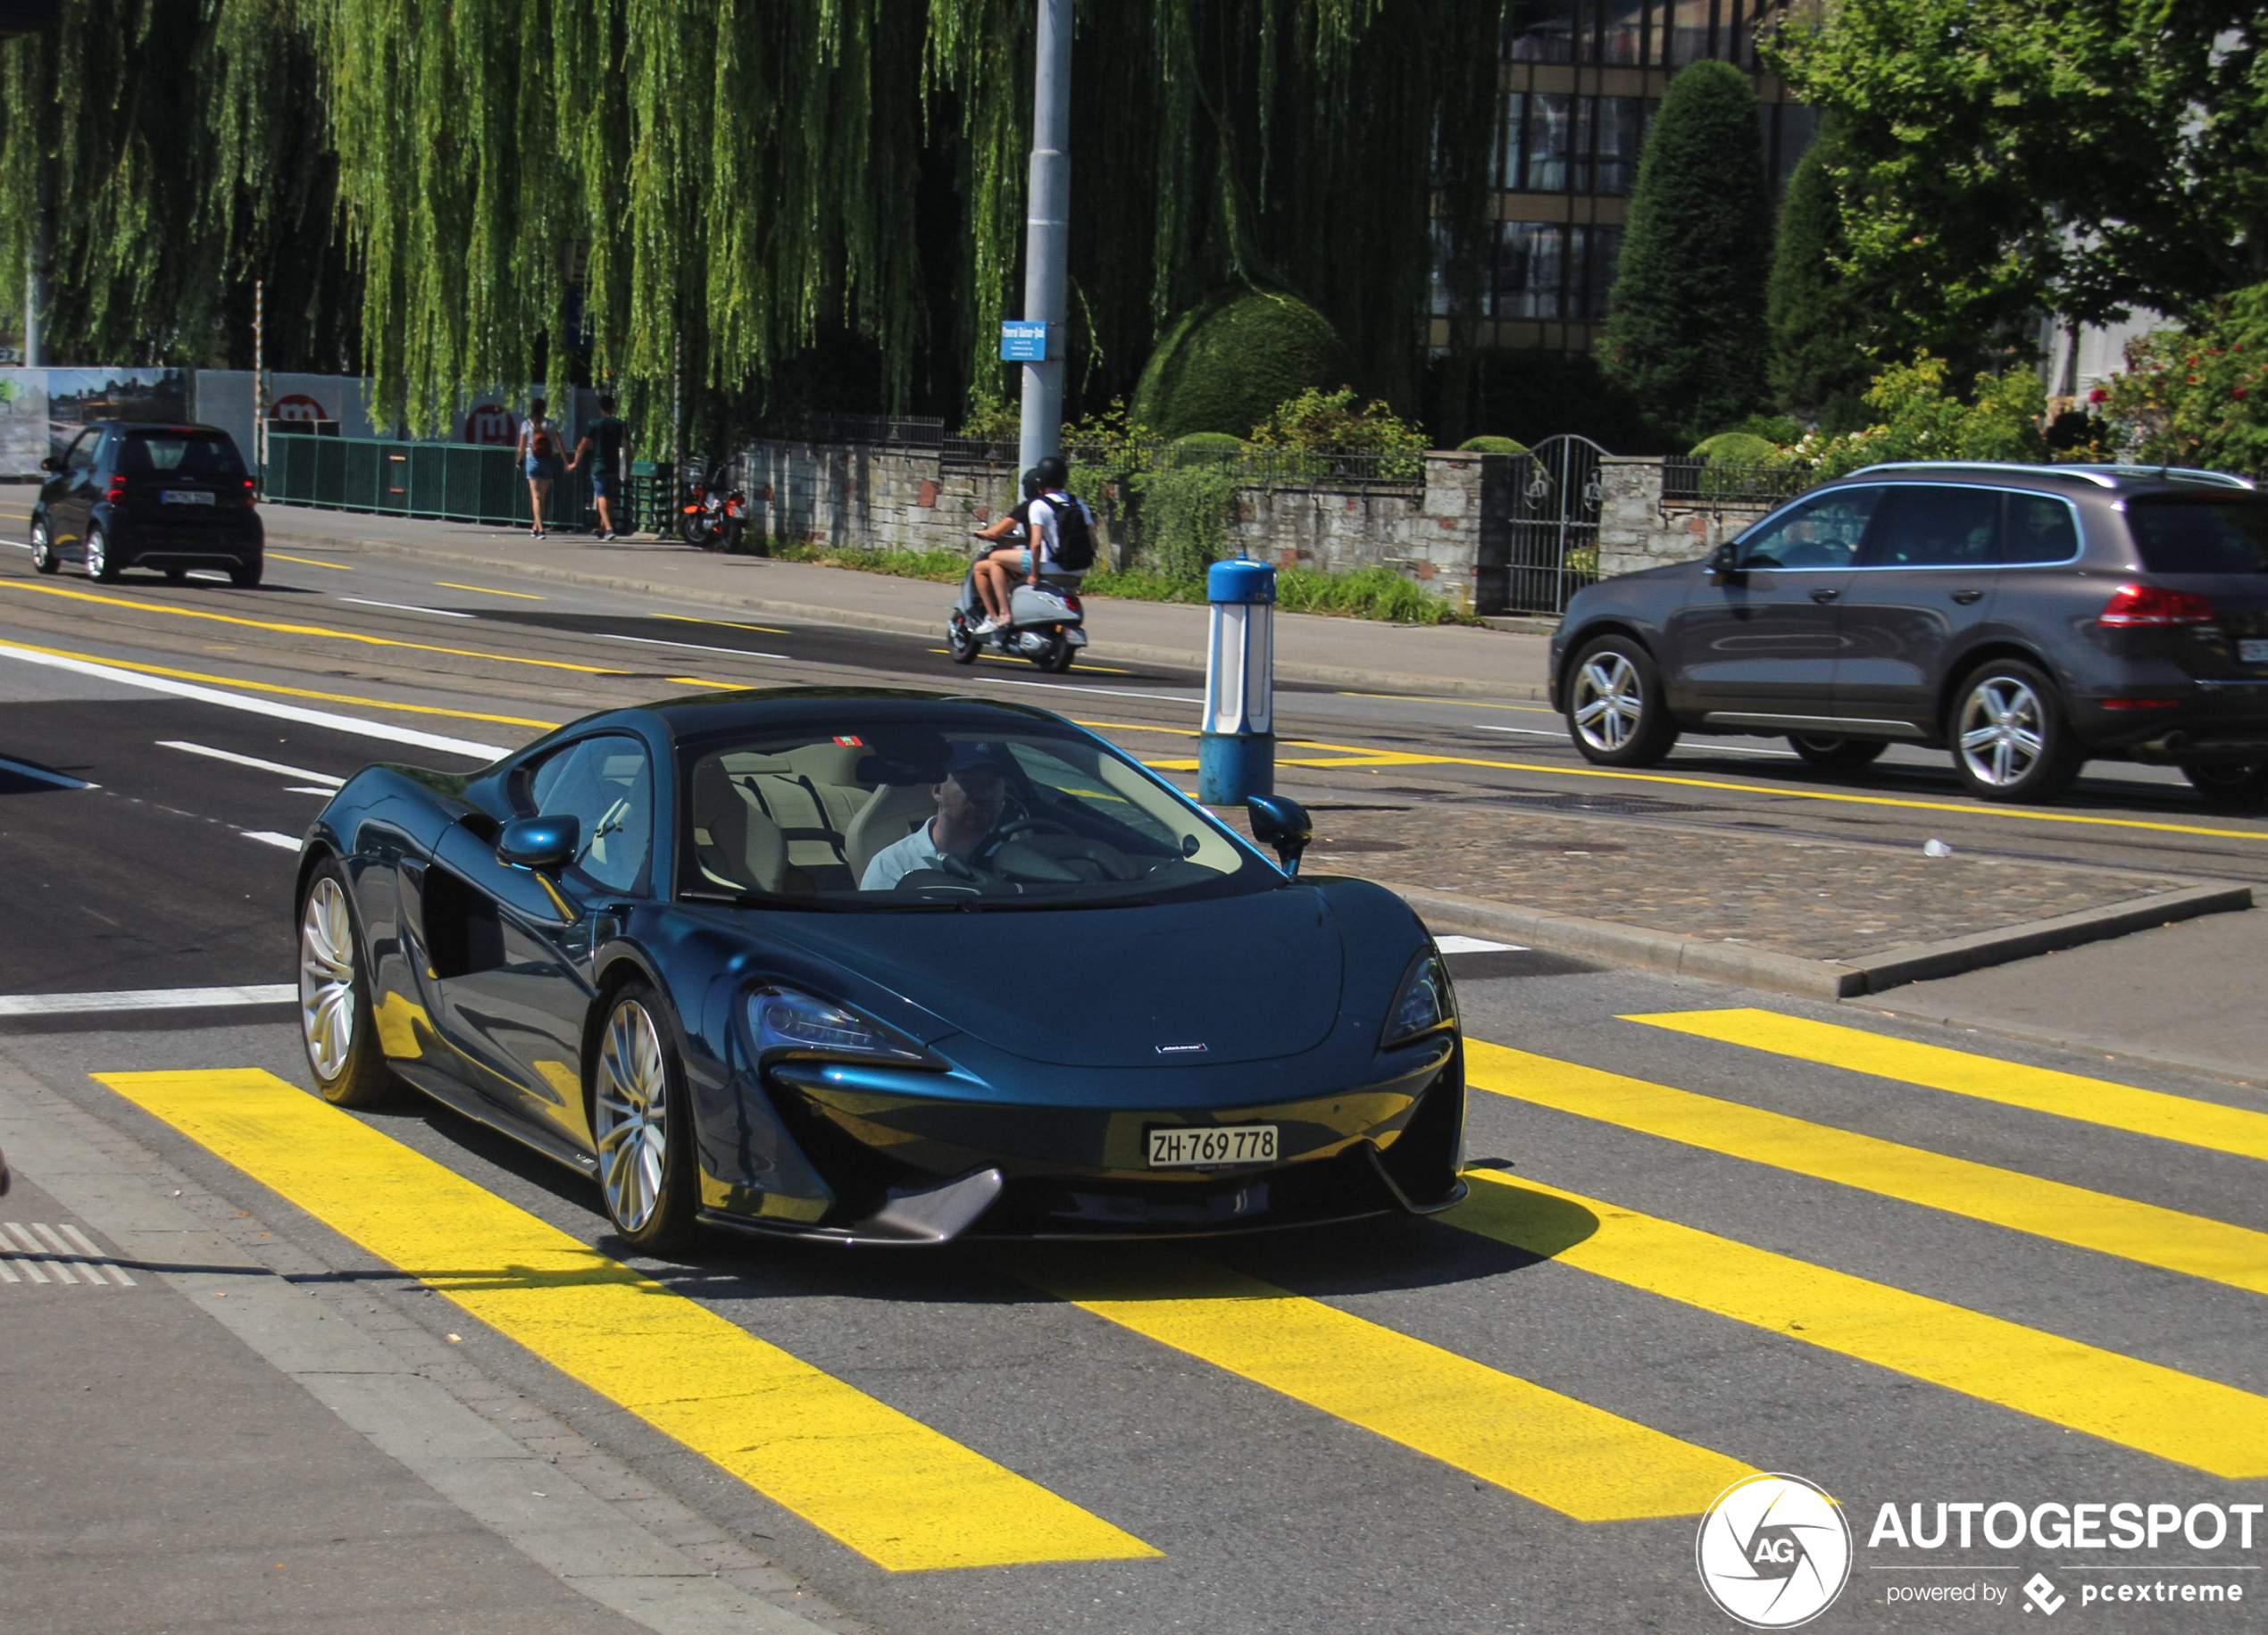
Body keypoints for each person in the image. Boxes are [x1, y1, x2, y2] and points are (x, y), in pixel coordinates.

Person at [859, 742, 1018, 889]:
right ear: (937, 790)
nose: (983, 795)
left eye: (992, 784)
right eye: (968, 782)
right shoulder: (893, 865)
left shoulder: (1018, 862)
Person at [970, 455, 1093, 635]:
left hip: (1048, 566)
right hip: (1077, 569)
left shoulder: (1039, 505)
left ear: (1040, 479)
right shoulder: (1079, 503)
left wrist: (1034, 574)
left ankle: (1002, 614)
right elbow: (1093, 542)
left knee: (994, 559)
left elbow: (1035, 544)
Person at [568, 395, 631, 540]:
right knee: (609, 497)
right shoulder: (620, 424)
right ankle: (603, 529)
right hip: (614, 464)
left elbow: (583, 444)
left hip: (598, 464)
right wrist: (629, 465)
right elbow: (628, 448)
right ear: (613, 407)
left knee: (601, 496)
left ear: (600, 407)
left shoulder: (594, 424)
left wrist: (575, 462)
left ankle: (609, 529)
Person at [517, 397, 565, 538]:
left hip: (532, 460)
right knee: (542, 496)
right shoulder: (550, 424)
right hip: (547, 461)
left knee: (536, 496)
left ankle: (540, 529)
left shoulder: (526, 425)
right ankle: (536, 526)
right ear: (543, 409)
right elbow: (559, 444)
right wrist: (565, 461)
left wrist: (519, 461)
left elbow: (521, 447)